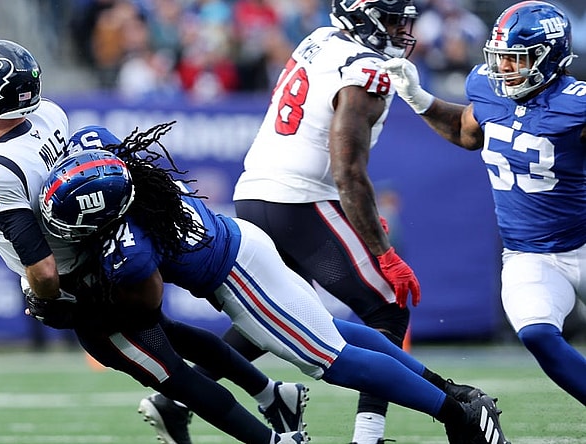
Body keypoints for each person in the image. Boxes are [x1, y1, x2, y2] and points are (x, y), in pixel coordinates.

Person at [0, 39, 309, 444]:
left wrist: (45, 300)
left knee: (172, 378)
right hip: (105, 259)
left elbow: (42, 263)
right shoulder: (49, 115)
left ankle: (273, 441)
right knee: (169, 334)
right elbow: (21, 174)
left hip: (85, 289)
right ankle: (273, 394)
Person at [37, 123, 510, 444]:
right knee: (329, 331)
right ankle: (453, 391)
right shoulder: (113, 163)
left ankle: (457, 414)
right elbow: (93, 144)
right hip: (243, 245)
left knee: (333, 362)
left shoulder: (131, 250)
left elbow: (144, 308)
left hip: (238, 277)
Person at [144, 1, 424, 443]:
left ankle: (176, 399)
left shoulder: (319, 41)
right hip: (301, 198)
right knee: (388, 301)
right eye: (389, 18)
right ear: (361, 15)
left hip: (256, 190)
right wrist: (381, 251)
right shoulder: (367, 68)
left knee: (283, 313)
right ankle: (368, 437)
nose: (399, 30)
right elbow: (347, 168)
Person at [380, 0, 586, 407]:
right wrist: (418, 98)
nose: (506, 68)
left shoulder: (576, 104)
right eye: (502, 58)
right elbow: (467, 131)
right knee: (537, 333)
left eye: (517, 59)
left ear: (552, 57)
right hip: (530, 255)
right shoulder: (487, 90)